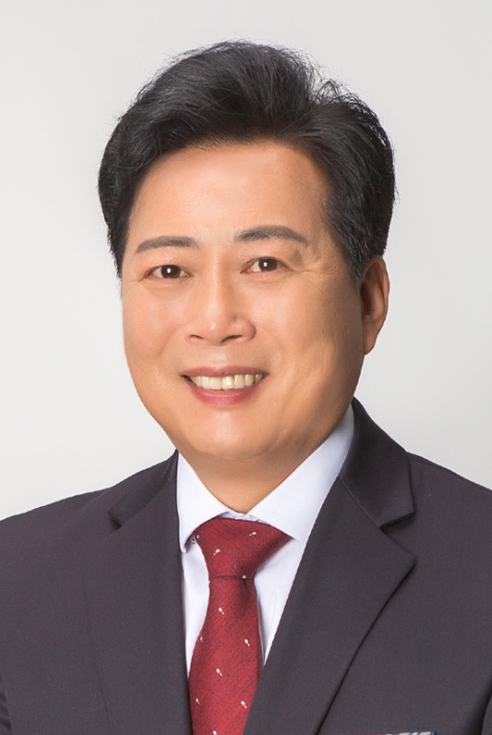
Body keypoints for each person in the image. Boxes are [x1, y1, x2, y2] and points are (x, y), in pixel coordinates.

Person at [0, 40, 491, 735]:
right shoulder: (16, 583)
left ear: (368, 299)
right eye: (170, 271)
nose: (215, 320)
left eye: (265, 263)